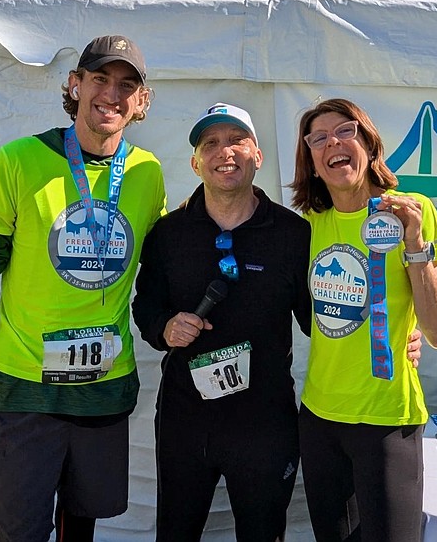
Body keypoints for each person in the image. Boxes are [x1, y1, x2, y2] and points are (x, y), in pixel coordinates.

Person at [0, 35, 166, 541]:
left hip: (103, 390)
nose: (111, 95)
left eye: (127, 85)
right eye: (99, 79)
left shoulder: (148, 173)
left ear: (141, 101)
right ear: (74, 85)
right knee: (20, 532)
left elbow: (168, 261)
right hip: (24, 393)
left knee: (82, 528)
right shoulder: (15, 162)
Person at [131, 103, 311, 541]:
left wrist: (397, 332)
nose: (224, 151)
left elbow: (322, 318)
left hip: (264, 421)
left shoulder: (294, 234)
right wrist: (164, 327)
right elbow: (144, 304)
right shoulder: (168, 234)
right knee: (175, 531)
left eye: (236, 140)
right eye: (210, 143)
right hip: (184, 420)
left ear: (258, 155)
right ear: (196, 163)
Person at [289, 98, 437, 542]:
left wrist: (415, 244)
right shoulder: (308, 224)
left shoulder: (410, 211)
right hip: (320, 417)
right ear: (311, 160)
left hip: (386, 419)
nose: (333, 144)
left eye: (345, 131)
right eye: (318, 138)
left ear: (368, 143)